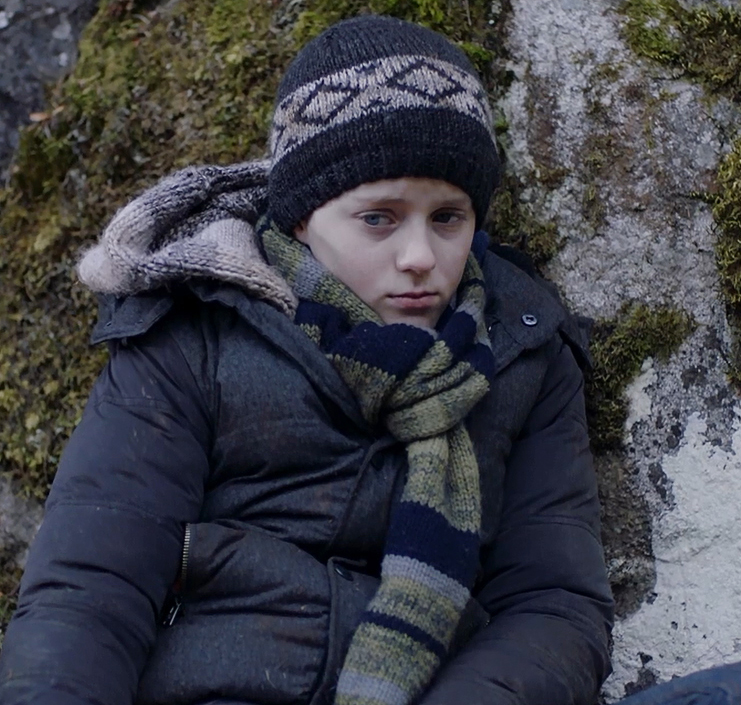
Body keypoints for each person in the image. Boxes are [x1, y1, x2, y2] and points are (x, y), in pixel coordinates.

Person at [0, 15, 614, 705]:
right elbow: (88, 590)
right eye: (378, 218)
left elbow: (554, 606)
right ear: (301, 217)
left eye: (448, 217)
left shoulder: (522, 348)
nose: (421, 257)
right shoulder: (195, 332)